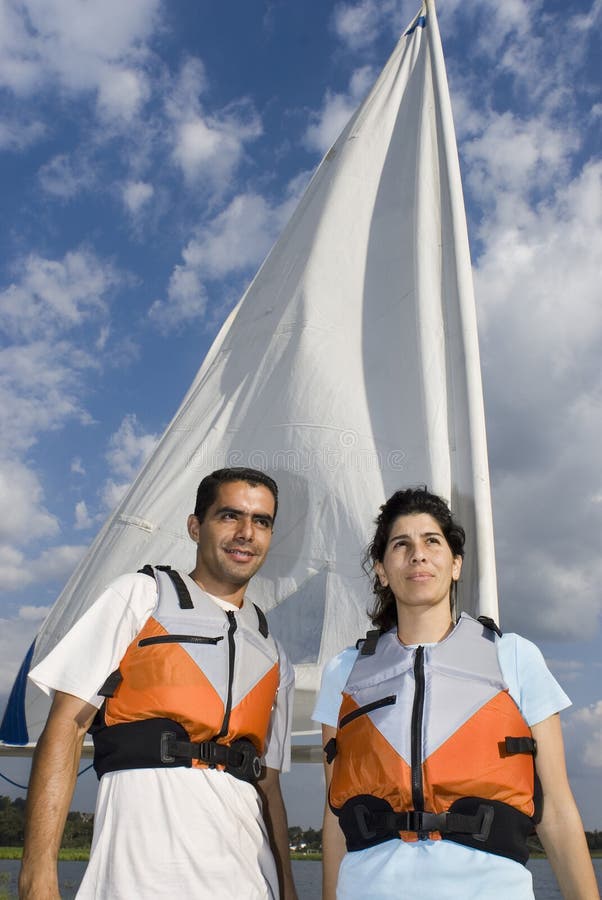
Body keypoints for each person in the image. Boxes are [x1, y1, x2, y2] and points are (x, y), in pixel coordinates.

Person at [19, 467, 298, 900]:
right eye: (229, 516)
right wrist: (38, 879)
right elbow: (67, 725)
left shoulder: (274, 651)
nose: (246, 532)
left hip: (249, 881)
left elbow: (270, 787)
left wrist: (288, 891)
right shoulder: (139, 596)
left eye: (261, 521)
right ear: (195, 526)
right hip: (138, 878)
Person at [313, 487, 599, 900]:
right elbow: (333, 814)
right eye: (401, 544)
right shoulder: (344, 671)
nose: (418, 554)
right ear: (381, 569)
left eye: (432, 541)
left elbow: (556, 808)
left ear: (456, 564)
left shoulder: (513, 656)